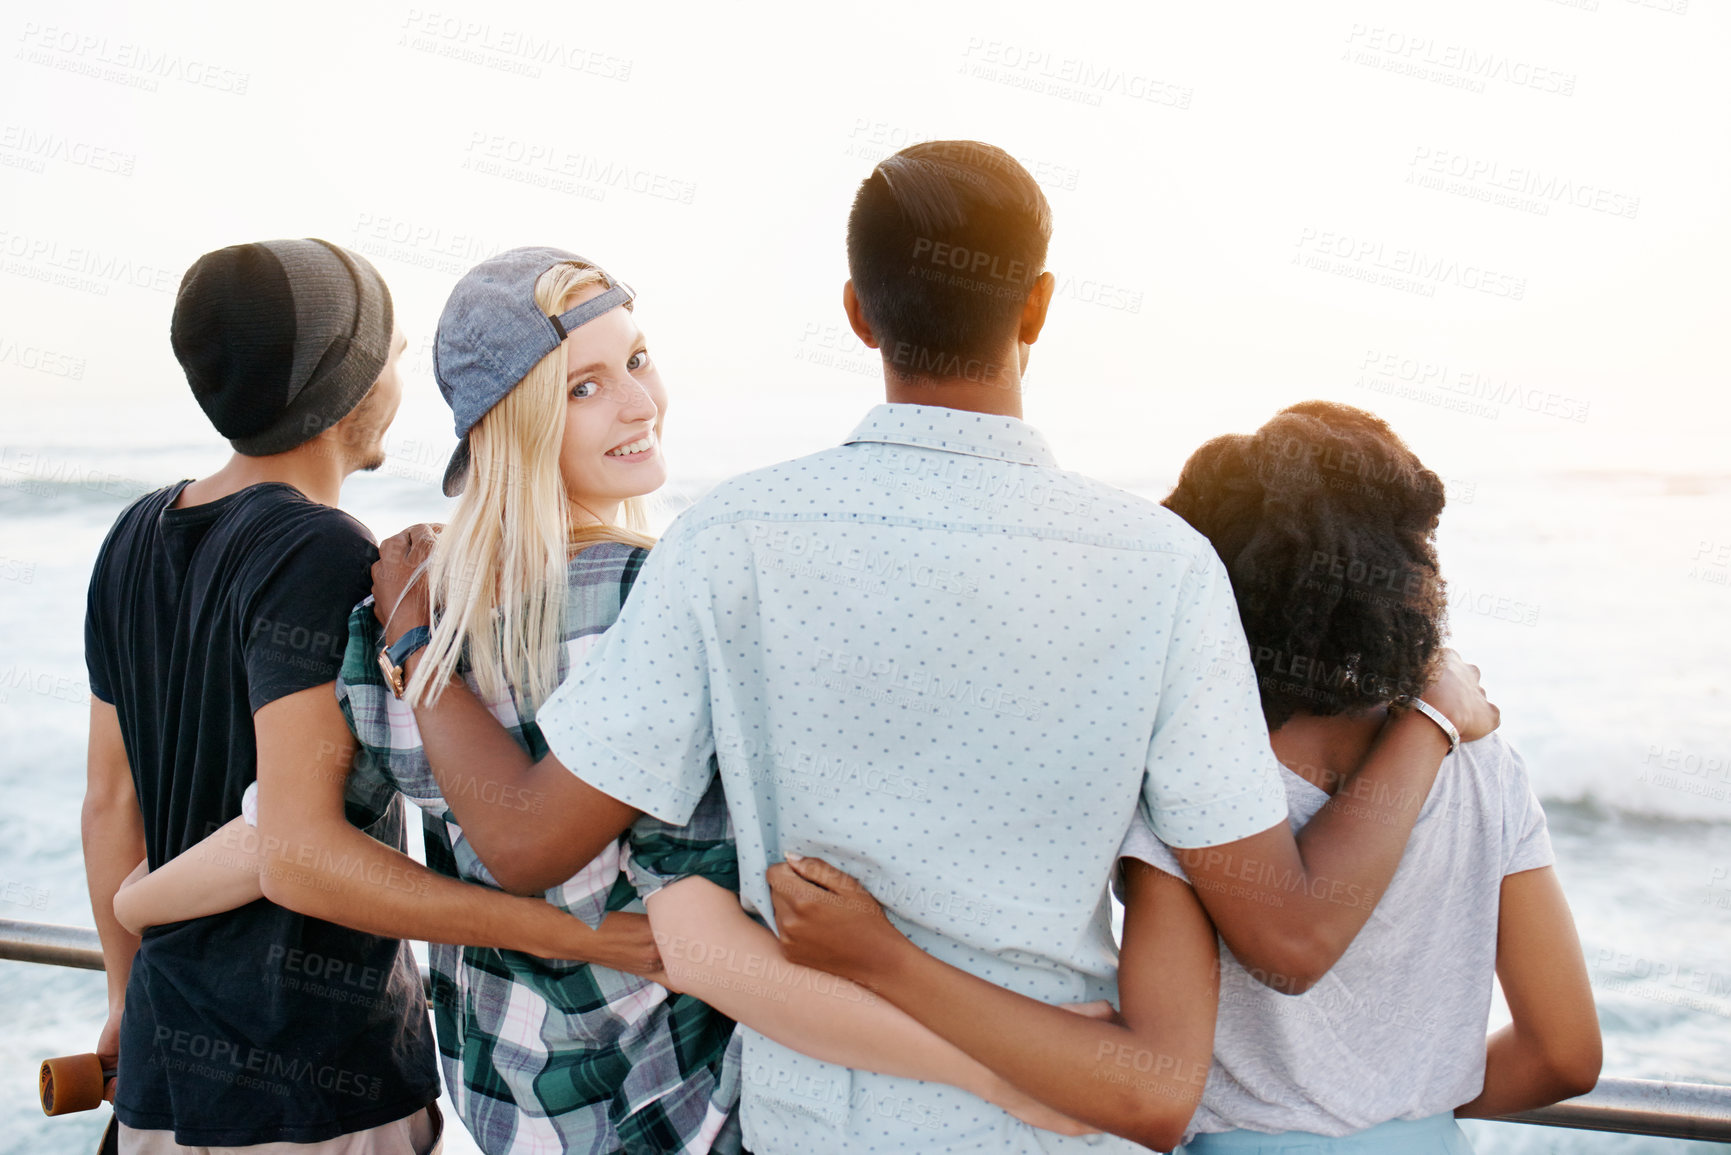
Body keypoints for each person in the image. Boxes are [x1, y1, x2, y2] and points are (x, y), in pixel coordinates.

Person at [369, 143, 1495, 1154]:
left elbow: (522, 841)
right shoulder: (1165, 568)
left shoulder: (729, 541)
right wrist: (1434, 718)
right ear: (1039, 308)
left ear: (859, 313)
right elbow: (1286, 939)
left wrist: (420, 637)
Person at [342, 247, 1084, 1153]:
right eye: (582, 388)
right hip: (669, 1109)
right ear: (517, 425)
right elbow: (712, 945)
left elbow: (294, 836)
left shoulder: (415, 610)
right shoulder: (645, 598)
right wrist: (1001, 1066)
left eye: (639, 360)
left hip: (513, 1108)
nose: (638, 403)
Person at [766, 402, 1601, 1152]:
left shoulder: (1202, 785)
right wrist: (1396, 1111)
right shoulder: (1480, 759)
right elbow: (1565, 1052)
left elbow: (1159, 1088)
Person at [82, 239, 650, 1155]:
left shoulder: (136, 532)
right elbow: (295, 845)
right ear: (346, 386)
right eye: (389, 356)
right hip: (306, 1085)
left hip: (162, 1068)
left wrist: (121, 996)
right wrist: (569, 933)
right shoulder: (322, 554)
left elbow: (111, 800)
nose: (400, 378)